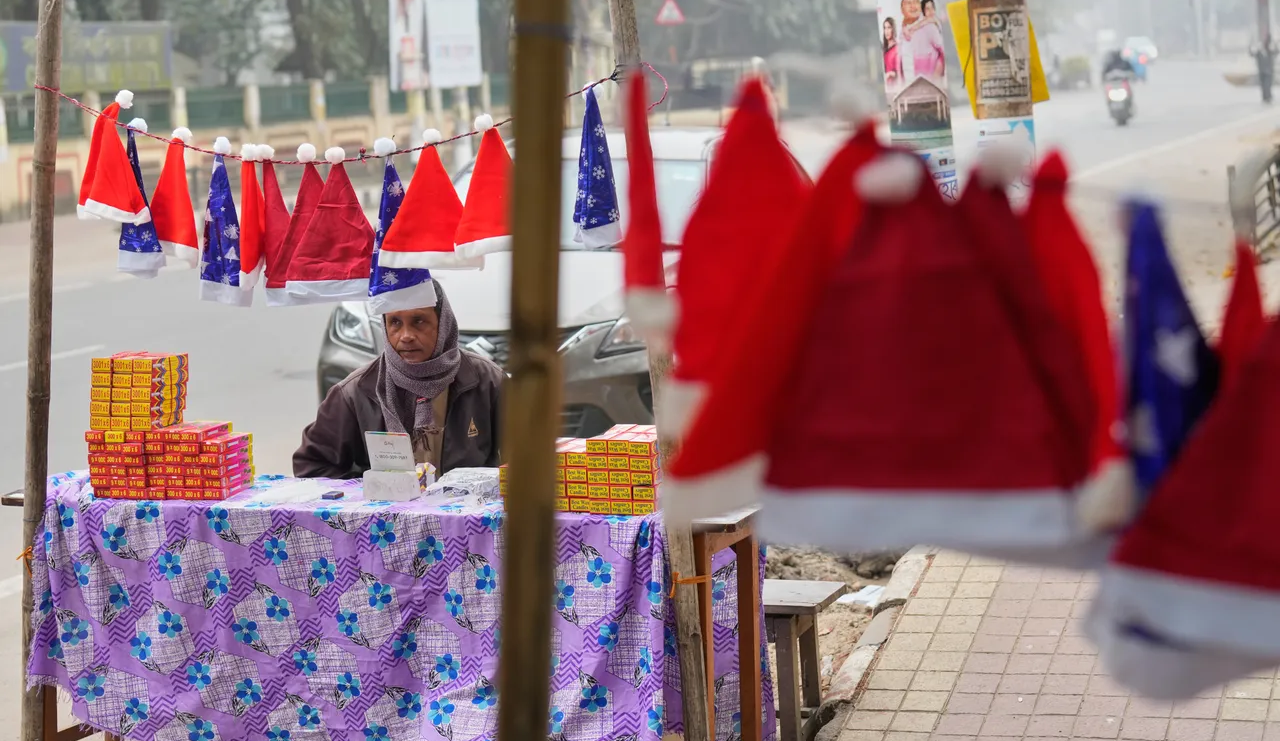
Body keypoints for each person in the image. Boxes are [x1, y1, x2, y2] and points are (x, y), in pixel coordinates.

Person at [294, 280, 504, 479]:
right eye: (395, 322)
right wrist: (371, 493)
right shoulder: (354, 393)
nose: (406, 336)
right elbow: (312, 466)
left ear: (444, 324)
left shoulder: (487, 382)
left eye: (418, 321)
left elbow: (529, 454)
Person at [901, 0, 946, 80]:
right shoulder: (929, 27)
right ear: (923, 11)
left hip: (924, 74)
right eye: (927, 9)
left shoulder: (929, 25)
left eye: (932, 8)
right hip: (927, 72)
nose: (931, 11)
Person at [883, 17, 904, 87]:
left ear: (893, 29)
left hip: (896, 86)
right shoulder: (884, 49)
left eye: (889, 27)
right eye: (885, 28)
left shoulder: (897, 48)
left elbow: (900, 71)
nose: (887, 31)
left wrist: (890, 74)